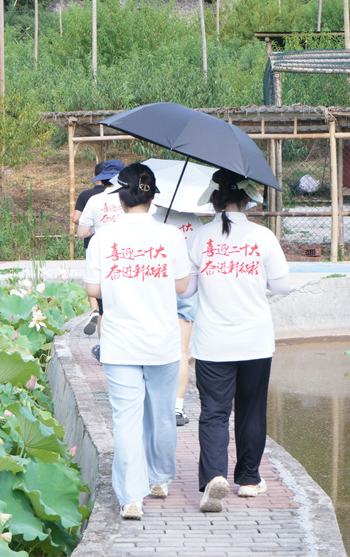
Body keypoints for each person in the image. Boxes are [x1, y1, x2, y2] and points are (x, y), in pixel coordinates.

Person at [83, 163, 191, 520]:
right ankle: (159, 479)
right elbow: (182, 287)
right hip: (161, 342)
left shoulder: (103, 238)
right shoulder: (170, 236)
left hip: (120, 344)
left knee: (126, 419)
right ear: (152, 197)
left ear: (120, 198)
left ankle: (132, 497)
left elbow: (94, 290)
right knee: (161, 414)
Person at [180, 168, 290, 513]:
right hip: (255, 341)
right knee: (251, 411)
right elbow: (282, 286)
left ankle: (215, 476)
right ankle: (250, 480)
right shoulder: (263, 236)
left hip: (213, 343)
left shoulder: (198, 238)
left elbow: (188, 289)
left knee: (213, 413)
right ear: (247, 199)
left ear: (214, 200)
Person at [153, 206, 204, 427]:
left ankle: (155, 405)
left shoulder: (153, 219)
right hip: (185, 290)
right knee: (183, 350)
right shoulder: (196, 223)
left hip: (157, 288)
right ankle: (177, 407)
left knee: (156, 347)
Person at [76, 159, 125, 360]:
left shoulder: (94, 201)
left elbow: (81, 232)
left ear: (102, 180)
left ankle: (105, 350)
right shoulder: (130, 200)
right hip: (127, 259)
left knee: (104, 308)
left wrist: (98, 229)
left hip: (102, 259)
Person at [72, 162, 109, 337]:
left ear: (96, 177)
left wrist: (93, 227)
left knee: (93, 278)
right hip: (115, 247)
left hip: (92, 244)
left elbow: (75, 218)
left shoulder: (87, 195)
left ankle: (95, 310)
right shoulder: (124, 197)